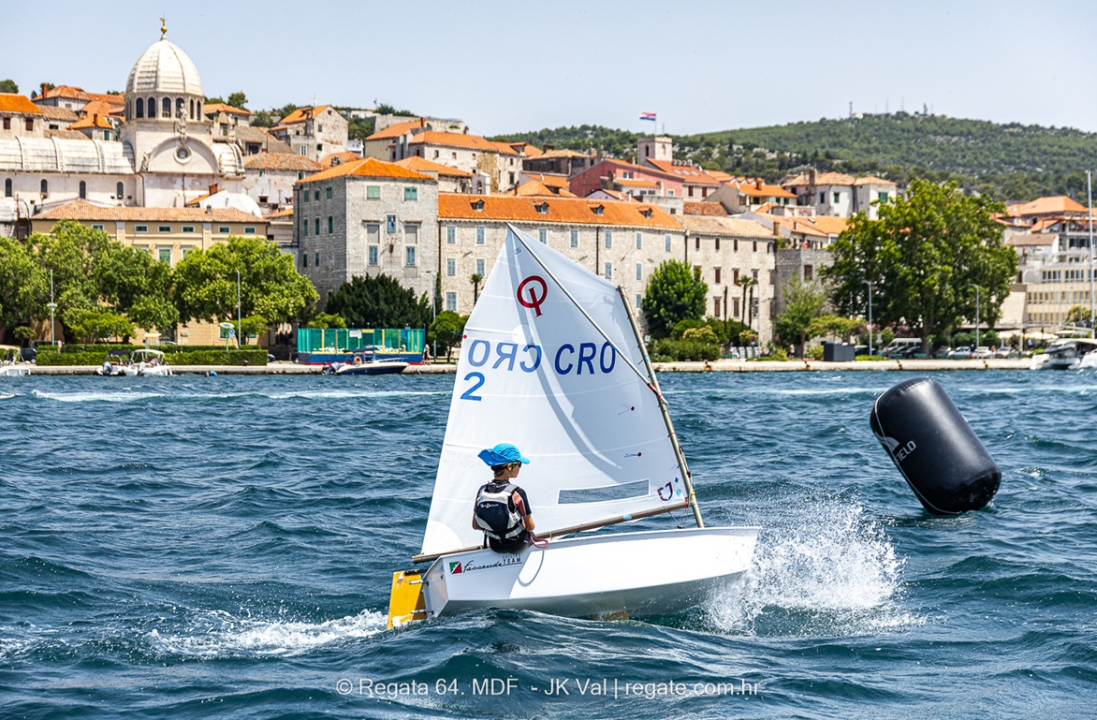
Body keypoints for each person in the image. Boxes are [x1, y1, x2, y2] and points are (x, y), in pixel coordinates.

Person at [472, 443, 534, 552]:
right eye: (519, 464)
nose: (519, 468)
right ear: (510, 466)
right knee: (531, 534)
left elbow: (475, 525)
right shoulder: (517, 493)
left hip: (495, 546)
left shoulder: (482, 491)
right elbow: (530, 527)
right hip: (517, 546)